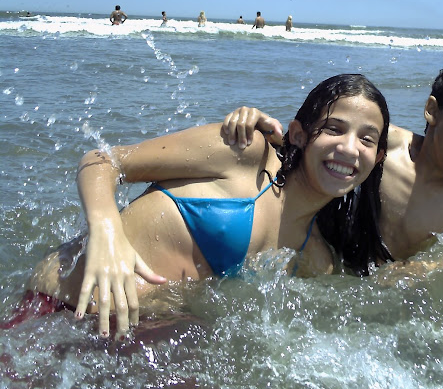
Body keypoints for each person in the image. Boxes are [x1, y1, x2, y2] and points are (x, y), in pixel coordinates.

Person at [15, 74, 390, 339]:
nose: (349, 147)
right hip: (55, 311)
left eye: (366, 139)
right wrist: (106, 231)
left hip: (130, 339)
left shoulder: (315, 257)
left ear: (377, 158)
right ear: (298, 134)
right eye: (335, 128)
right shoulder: (244, 153)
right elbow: (102, 161)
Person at [224, 52, 443, 261]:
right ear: (432, 111)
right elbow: (309, 144)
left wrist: (426, 268)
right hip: (332, 260)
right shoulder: (380, 145)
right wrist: (261, 125)